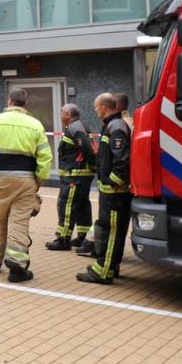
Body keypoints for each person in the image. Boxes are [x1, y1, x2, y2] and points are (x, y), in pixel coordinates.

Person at [0, 87, 52, 283]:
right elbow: (45, 157)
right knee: (18, 222)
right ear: (24, 104)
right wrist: (38, 180)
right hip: (26, 180)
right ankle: (17, 267)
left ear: (9, 101)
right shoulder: (35, 125)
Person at [78, 93, 132, 285]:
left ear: (103, 107)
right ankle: (109, 265)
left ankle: (104, 271)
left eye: (95, 107)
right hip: (111, 192)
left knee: (112, 231)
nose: (95, 110)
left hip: (115, 194)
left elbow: (122, 160)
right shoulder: (112, 125)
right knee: (109, 230)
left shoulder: (115, 126)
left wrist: (112, 181)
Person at [45, 103, 94, 251]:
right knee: (82, 205)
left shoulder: (75, 128)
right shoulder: (77, 127)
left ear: (68, 114)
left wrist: (93, 165)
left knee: (67, 206)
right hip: (79, 176)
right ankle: (82, 237)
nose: (60, 116)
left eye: (61, 113)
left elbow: (87, 149)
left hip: (75, 177)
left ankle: (63, 239)